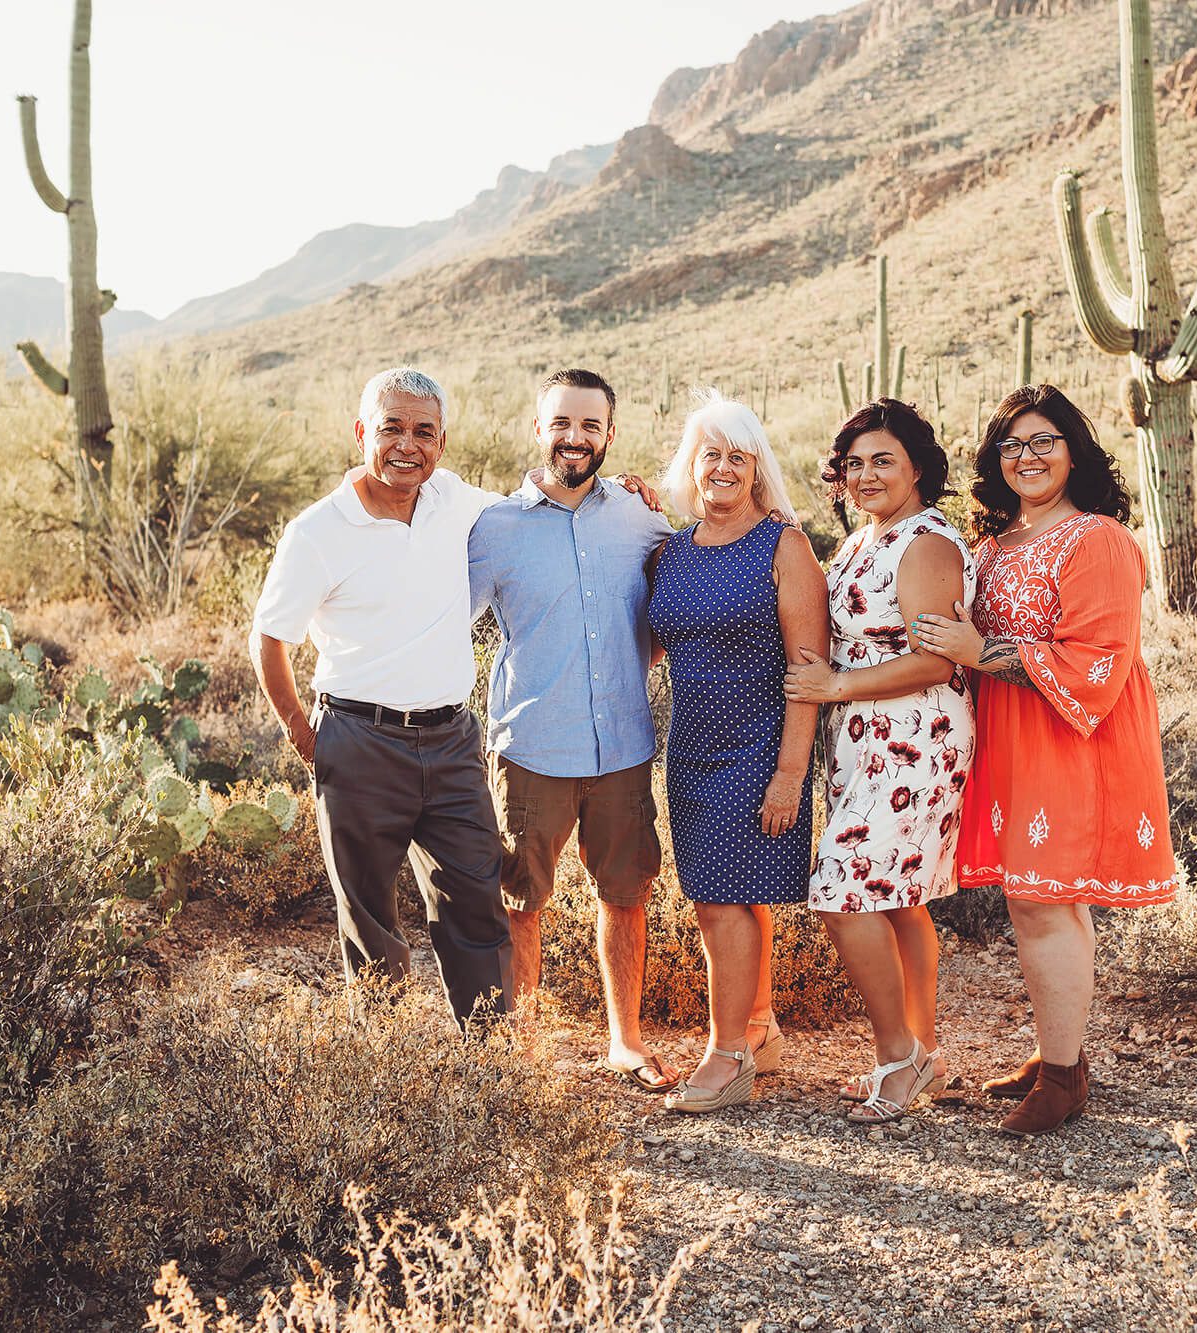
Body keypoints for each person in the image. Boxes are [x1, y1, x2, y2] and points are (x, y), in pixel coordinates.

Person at [912, 384, 1176, 1137]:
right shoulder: (995, 546)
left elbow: (1101, 659)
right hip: (1011, 735)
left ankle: (1061, 1079)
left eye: (1044, 441)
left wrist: (980, 651)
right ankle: (1059, 1055)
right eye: (1012, 444)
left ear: (1074, 451)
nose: (1027, 456)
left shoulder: (1096, 538)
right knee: (1047, 900)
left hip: (1071, 737)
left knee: (1041, 902)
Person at [249, 367, 515, 1026]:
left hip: (452, 742)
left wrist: (619, 490)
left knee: (476, 901)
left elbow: (526, 506)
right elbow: (269, 639)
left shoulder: (454, 500)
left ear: (442, 443)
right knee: (369, 917)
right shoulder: (316, 532)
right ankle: (386, 1073)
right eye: (391, 427)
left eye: (423, 431)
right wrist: (300, 731)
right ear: (363, 431)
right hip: (359, 742)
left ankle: (487, 1063)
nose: (407, 444)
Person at [467, 368, 680, 1089]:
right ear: (538, 429)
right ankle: (521, 1051)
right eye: (562, 422)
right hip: (530, 747)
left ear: (610, 435)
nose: (576, 437)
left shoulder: (642, 518)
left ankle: (625, 1040)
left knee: (626, 893)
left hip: (621, 745)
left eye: (591, 425)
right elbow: (444, 620)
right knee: (519, 898)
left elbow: (670, 610)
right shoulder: (493, 528)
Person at [782, 399, 974, 1124]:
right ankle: (925, 1048)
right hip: (863, 740)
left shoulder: (925, 544)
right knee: (898, 897)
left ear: (917, 467)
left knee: (840, 888)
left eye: (882, 460)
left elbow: (933, 659)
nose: (864, 475)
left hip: (916, 735)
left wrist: (837, 685)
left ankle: (897, 1055)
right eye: (853, 463)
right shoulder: (863, 541)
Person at [647, 391, 828, 1114]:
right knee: (716, 900)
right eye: (709, 454)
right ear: (692, 465)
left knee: (724, 902)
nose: (722, 467)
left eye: (737, 456)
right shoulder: (671, 550)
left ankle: (726, 1057)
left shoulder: (783, 544)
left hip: (757, 748)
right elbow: (658, 639)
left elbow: (808, 668)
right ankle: (759, 1032)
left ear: (757, 469)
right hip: (688, 749)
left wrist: (790, 772)